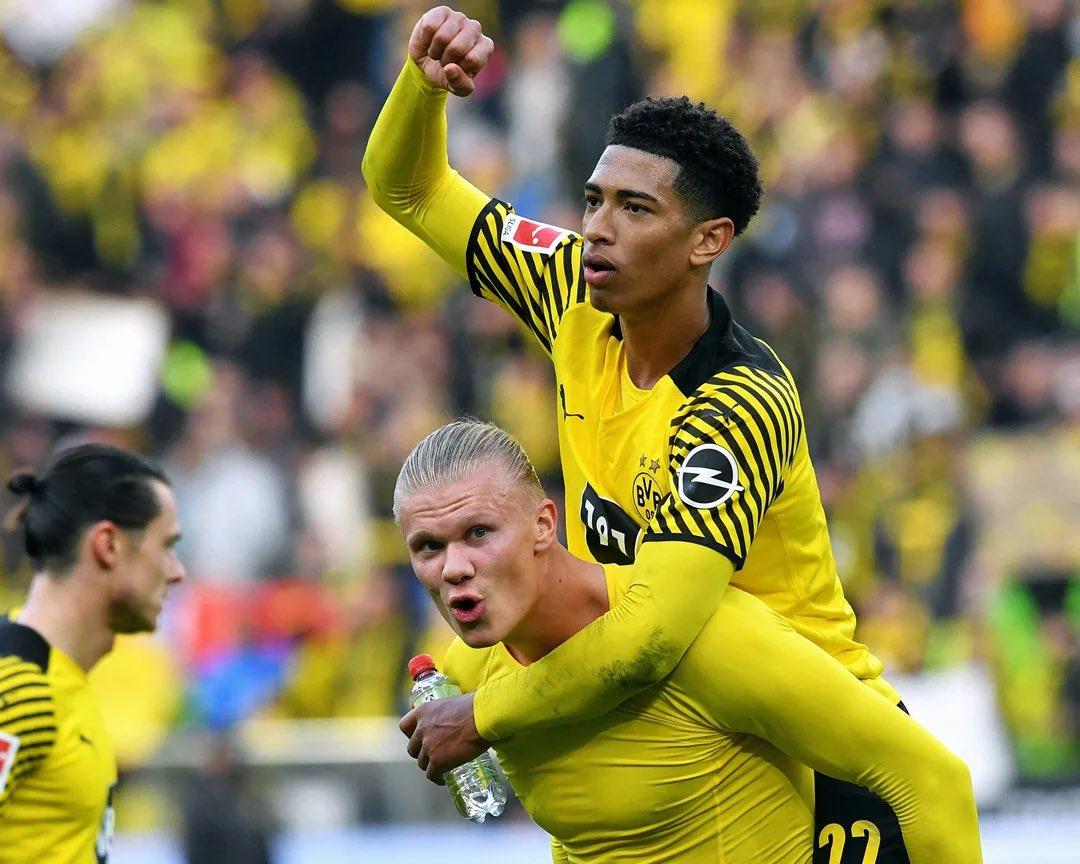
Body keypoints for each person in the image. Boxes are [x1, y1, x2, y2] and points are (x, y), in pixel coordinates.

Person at [364, 7, 918, 860]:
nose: (597, 228)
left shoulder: (738, 403)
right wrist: (421, 88)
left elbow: (656, 632)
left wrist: (482, 715)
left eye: (633, 208)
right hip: (653, 708)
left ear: (708, 241)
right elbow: (408, 189)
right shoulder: (572, 293)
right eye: (592, 201)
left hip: (799, 747)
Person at [395, 419, 981, 864]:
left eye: (479, 533)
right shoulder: (466, 678)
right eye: (428, 547)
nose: (454, 568)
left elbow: (933, 781)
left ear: (545, 525)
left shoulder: (703, 633)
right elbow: (582, 837)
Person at [0, 444, 185, 864]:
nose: (177, 571)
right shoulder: (19, 689)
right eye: (166, 546)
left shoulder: (64, 680)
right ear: (109, 545)